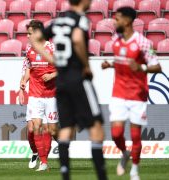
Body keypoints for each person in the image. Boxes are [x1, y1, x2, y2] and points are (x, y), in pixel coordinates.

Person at [29, 0, 108, 179]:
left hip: (62, 82)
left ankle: (65, 172)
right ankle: (102, 175)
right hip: (78, 78)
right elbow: (78, 39)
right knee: (96, 126)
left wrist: (53, 60)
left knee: (65, 127)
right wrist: (86, 65)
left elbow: (35, 39)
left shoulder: (58, 21)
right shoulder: (80, 19)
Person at [101, 7, 162, 180]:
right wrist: (110, 65)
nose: (114, 22)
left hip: (137, 94)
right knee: (116, 134)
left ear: (127, 21)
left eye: (117, 18)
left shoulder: (144, 43)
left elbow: (157, 66)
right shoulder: (115, 40)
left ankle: (134, 170)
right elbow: (123, 61)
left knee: (135, 135)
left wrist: (141, 67)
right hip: (119, 93)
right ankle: (124, 153)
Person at [18, 20, 59, 171]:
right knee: (36, 126)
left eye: (30, 33)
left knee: (51, 130)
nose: (27, 36)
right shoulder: (29, 49)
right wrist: (23, 82)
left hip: (51, 95)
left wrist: (52, 75)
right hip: (35, 95)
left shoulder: (53, 48)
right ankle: (43, 162)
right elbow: (28, 68)